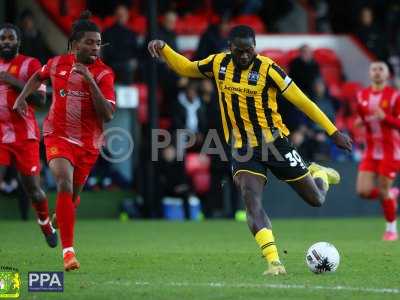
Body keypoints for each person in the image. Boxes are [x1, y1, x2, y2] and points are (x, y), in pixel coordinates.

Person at [148, 25, 352, 275]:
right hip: (243, 149)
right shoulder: (218, 64)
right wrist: (165, 48)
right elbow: (186, 68)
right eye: (238, 51)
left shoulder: (269, 69)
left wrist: (333, 132)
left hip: (276, 144)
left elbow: (302, 101)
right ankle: (274, 262)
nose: (244, 56)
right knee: (250, 200)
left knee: (316, 199)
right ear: (229, 48)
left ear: (255, 48)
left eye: (249, 51)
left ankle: (318, 173)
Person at [13, 11, 116, 271]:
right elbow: (38, 76)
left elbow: (108, 114)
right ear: (75, 44)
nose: (95, 47)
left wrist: (89, 79)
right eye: (90, 42)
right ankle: (68, 253)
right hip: (57, 135)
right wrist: (22, 97)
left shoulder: (104, 74)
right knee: (63, 183)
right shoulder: (57, 63)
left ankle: (64, 211)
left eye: (98, 42)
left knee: (72, 196)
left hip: (89, 143)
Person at [0, 23, 57, 246]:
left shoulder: (30, 64)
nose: (6, 42)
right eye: (2, 38)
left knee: (33, 190)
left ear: (18, 41)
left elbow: (42, 100)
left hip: (25, 136)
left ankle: (44, 222)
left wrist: (12, 81)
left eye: (10, 38)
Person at [355, 61, 400, 241]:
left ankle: (391, 229)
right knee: (363, 192)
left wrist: (385, 118)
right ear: (369, 73)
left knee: (382, 190)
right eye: (374, 69)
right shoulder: (362, 95)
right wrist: (359, 123)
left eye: (381, 69)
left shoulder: (394, 96)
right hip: (371, 150)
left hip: (391, 150)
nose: (377, 72)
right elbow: (361, 118)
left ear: (387, 74)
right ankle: (392, 195)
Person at [102, 4, 139, 84]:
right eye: (119, 15)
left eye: (123, 15)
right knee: (126, 68)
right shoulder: (108, 32)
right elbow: (108, 52)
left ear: (127, 16)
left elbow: (136, 51)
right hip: (113, 62)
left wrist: (134, 60)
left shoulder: (132, 33)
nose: (121, 17)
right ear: (115, 16)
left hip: (128, 63)